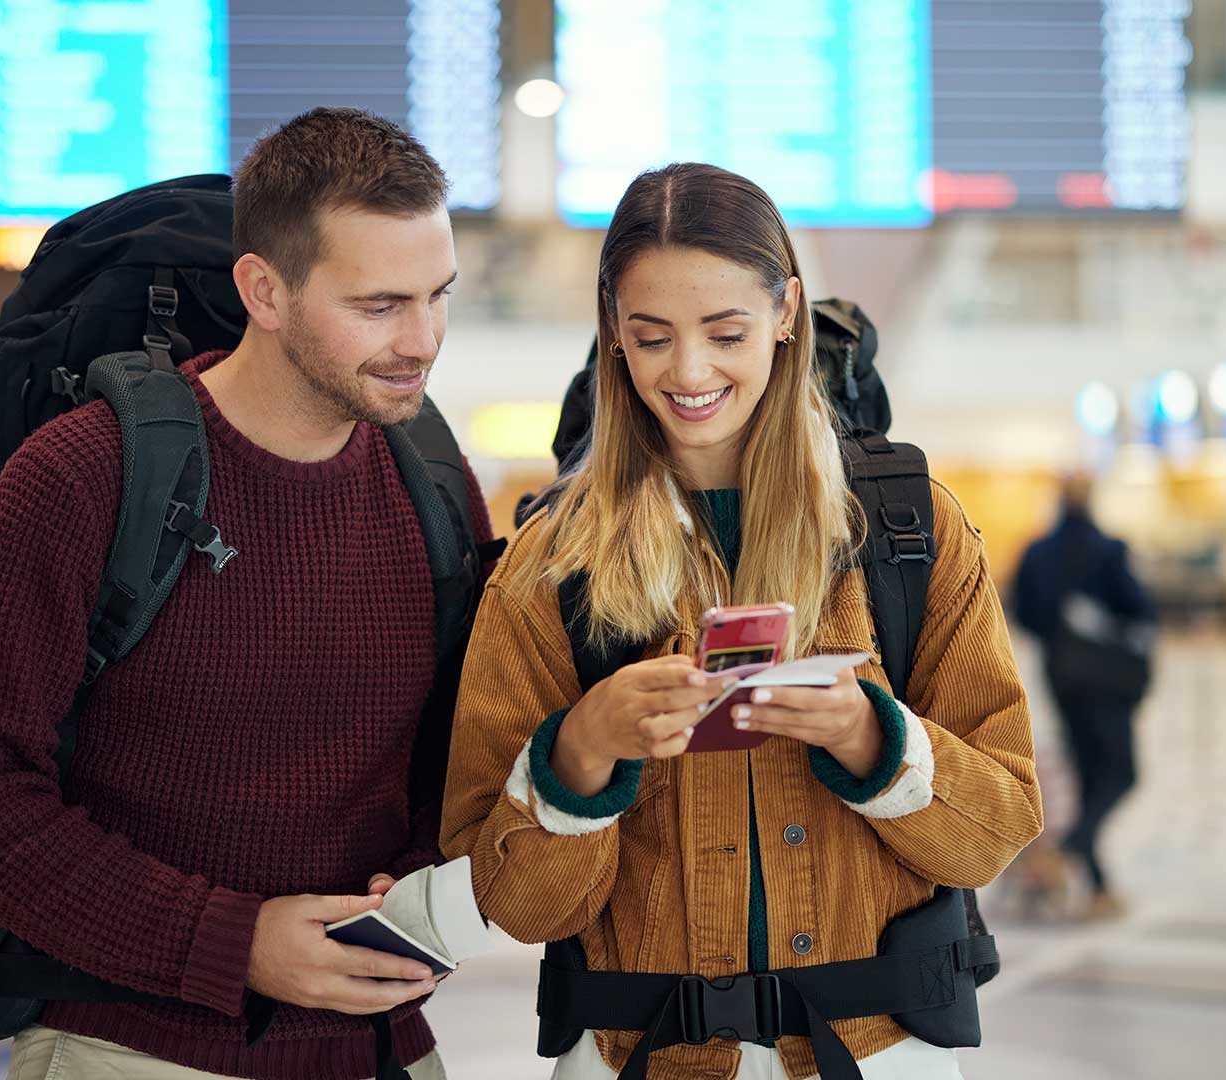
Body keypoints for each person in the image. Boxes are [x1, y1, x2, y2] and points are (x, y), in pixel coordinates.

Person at [0, 108, 492, 1080]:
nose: (421, 340)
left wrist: (421, 874)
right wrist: (233, 942)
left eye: (438, 296)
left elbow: (447, 755)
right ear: (263, 288)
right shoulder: (83, 476)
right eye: (379, 304)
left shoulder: (431, 481)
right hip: (128, 1045)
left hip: (378, 1046)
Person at [441, 163, 1043, 1079]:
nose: (689, 373)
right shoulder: (550, 565)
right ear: (612, 330)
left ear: (787, 311)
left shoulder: (908, 530)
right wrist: (580, 757)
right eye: (650, 338)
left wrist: (872, 739)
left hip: (878, 1052)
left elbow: (998, 826)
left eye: (727, 333)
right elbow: (520, 906)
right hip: (635, 1054)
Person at [1012, 472, 1154, 921]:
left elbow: (1022, 610)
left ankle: (1098, 889)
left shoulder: (1036, 552)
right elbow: (1141, 612)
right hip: (1106, 680)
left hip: (1062, 675)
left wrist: (1058, 641)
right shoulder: (1109, 551)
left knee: (1089, 775)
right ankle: (1070, 849)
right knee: (1121, 775)